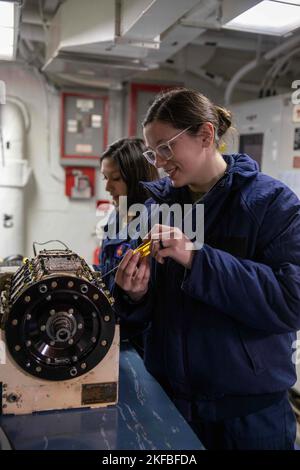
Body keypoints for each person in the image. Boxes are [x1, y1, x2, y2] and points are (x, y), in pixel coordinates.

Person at [114, 88, 300, 450]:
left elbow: (290, 302)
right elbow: (153, 313)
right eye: (153, 152)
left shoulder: (272, 205)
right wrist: (135, 294)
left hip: (249, 419)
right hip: (172, 407)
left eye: (166, 147)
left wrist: (198, 257)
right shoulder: (159, 208)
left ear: (206, 135)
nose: (159, 162)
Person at [98, 137, 158, 354]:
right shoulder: (118, 213)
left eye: (115, 178)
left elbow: (153, 297)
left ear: (136, 178)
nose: (107, 186)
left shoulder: (156, 220)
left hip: (139, 342)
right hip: (112, 330)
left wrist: (135, 295)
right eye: (105, 177)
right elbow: (108, 269)